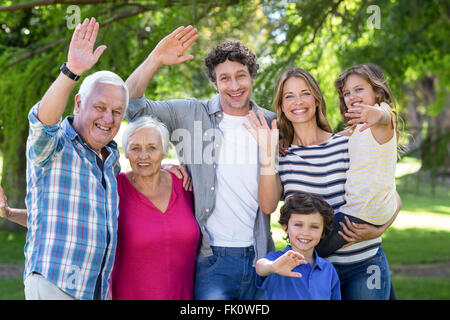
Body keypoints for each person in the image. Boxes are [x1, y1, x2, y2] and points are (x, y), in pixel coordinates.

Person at [125, 26, 276, 299]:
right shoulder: (190, 114)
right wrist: (155, 59)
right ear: (214, 83)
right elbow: (132, 106)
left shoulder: (271, 122)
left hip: (262, 258)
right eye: (224, 78)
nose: (233, 86)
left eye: (241, 76)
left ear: (253, 76)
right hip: (211, 261)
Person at [245, 67, 400, 300]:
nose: (298, 101)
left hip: (364, 263)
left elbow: (390, 194)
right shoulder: (281, 155)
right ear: (281, 105)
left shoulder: (345, 143)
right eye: (289, 96)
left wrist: (379, 228)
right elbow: (268, 206)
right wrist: (267, 155)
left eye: (305, 93)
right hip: (315, 270)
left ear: (317, 99)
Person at [23, 17, 127, 300]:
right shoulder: (55, 146)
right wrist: (72, 71)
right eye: (100, 107)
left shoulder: (111, 161)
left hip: (95, 292)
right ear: (79, 103)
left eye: (117, 112)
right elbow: (42, 122)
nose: (108, 118)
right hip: (55, 285)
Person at [315, 63, 402, 257]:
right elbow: (329, 139)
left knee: (309, 248)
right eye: (346, 93)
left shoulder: (382, 118)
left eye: (359, 89)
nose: (352, 96)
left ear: (377, 93)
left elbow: (386, 116)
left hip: (360, 213)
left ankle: (271, 271)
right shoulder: (357, 130)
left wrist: (376, 113)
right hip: (368, 210)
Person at [110, 116, 199, 299]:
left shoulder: (184, 184)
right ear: (126, 152)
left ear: (164, 152)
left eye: (152, 148)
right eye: (135, 148)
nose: (144, 156)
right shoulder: (114, 190)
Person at [255, 191, 341, 300]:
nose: (305, 232)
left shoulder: (328, 270)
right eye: (298, 225)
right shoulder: (277, 260)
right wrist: (273, 267)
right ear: (285, 227)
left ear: (323, 232)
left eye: (314, 226)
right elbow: (260, 266)